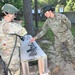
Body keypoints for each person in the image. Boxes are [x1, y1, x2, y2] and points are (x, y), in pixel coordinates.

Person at [30, 4, 75, 74]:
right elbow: (43, 31)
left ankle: (74, 62)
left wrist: (65, 32)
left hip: (67, 36)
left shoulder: (61, 17)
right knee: (57, 53)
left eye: (45, 13)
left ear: (50, 11)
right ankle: (57, 66)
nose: (45, 15)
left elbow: (69, 25)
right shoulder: (48, 21)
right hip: (57, 38)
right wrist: (35, 38)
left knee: (71, 50)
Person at [0, 4, 27, 75]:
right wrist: (18, 24)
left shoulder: (2, 23)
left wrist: (15, 23)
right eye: (14, 14)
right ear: (9, 14)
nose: (14, 16)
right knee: (15, 72)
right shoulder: (8, 25)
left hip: (5, 54)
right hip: (11, 56)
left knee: (9, 71)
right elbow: (23, 32)